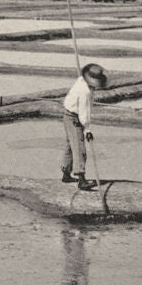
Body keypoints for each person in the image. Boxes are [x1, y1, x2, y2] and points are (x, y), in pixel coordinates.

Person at [61, 63, 107, 191]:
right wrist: (88, 130)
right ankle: (81, 179)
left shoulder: (81, 80)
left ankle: (66, 174)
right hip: (73, 117)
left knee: (70, 145)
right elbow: (84, 113)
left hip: (68, 114)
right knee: (79, 147)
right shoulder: (85, 91)